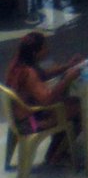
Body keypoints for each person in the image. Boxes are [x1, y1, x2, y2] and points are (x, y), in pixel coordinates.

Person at [5, 31, 83, 164]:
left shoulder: (19, 65)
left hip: (19, 118)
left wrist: (67, 67)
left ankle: (57, 149)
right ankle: (55, 155)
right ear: (36, 52)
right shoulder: (29, 73)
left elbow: (43, 74)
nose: (48, 50)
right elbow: (47, 100)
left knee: (67, 102)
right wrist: (67, 80)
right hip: (30, 123)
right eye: (45, 47)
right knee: (77, 108)